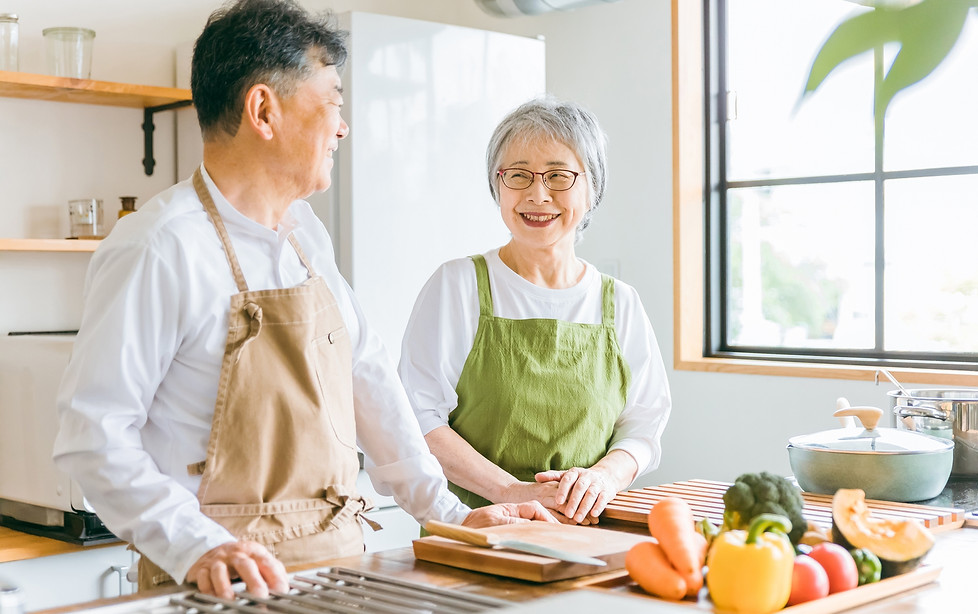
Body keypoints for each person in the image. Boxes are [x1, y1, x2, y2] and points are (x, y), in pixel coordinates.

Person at [53, 0, 554, 601]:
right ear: (263, 110)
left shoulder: (307, 234)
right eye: (334, 104)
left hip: (337, 570)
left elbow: (367, 380)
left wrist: (447, 512)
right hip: (224, 587)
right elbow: (94, 436)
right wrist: (196, 545)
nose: (343, 127)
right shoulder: (158, 247)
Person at [398, 97, 672, 526]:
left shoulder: (621, 303)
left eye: (559, 176)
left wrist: (602, 477)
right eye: (518, 175)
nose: (537, 194)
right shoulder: (457, 286)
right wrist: (512, 492)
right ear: (498, 185)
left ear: (592, 186)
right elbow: (417, 418)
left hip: (589, 533)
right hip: (477, 533)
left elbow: (643, 426)